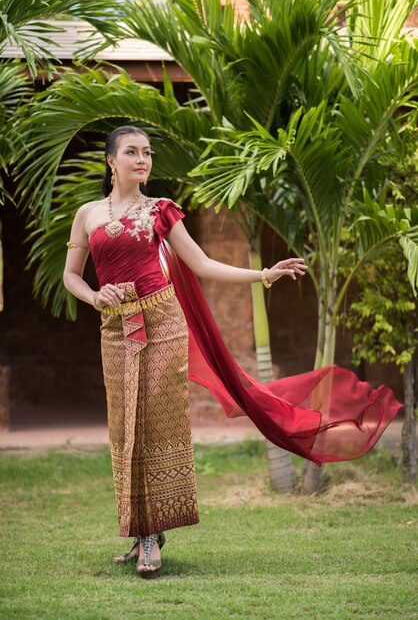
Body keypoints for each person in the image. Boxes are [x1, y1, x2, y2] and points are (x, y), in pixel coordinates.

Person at [63, 125, 308, 575]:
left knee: (156, 420)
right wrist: (96, 297)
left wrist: (264, 274)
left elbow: (202, 263)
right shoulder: (88, 214)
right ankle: (138, 531)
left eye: (147, 153)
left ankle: (155, 536)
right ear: (111, 161)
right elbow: (71, 276)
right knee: (124, 427)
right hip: (115, 328)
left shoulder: (161, 210)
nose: (142, 160)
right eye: (132, 152)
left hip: (162, 322)